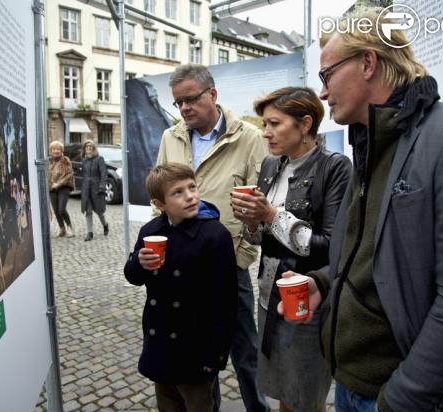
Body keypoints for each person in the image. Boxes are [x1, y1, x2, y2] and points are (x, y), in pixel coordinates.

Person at [277, 7, 443, 412]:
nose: (321, 92)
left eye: (326, 75)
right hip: (354, 386)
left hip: (408, 398)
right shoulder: (370, 141)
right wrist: (322, 283)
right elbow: (374, 258)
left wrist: (399, 401)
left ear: (368, 63)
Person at [230, 87, 351, 412]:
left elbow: (330, 246)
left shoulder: (334, 168)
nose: (265, 132)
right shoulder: (271, 165)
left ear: (305, 124)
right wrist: (251, 220)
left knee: (306, 395)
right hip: (270, 297)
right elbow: (259, 241)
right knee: (284, 389)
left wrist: (269, 214)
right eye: (264, 124)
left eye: (274, 123)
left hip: (307, 299)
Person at [157, 64, 270, 411]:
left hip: (228, 265)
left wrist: (242, 253)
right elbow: (159, 194)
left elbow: (262, 205)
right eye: (179, 102)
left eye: (191, 99)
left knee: (245, 351)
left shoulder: (249, 138)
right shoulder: (170, 137)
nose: (185, 108)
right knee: (199, 353)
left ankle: (257, 408)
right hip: (184, 265)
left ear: (213, 94)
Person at [124, 163, 237, 412]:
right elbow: (133, 277)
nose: (190, 196)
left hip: (195, 347)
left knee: (199, 405)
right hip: (161, 343)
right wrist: (139, 263)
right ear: (159, 203)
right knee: (168, 405)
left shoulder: (215, 235)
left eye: (192, 187)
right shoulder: (150, 231)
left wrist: (215, 356)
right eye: (178, 192)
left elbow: (225, 301)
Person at [80, 140, 109, 241]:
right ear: (84, 149)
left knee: (99, 211)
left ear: (94, 148)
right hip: (86, 189)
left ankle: (105, 225)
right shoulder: (84, 161)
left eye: (90, 146)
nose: (88, 148)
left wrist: (102, 186)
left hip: (96, 188)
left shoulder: (99, 159)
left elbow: (104, 174)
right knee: (88, 211)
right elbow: (83, 175)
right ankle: (90, 233)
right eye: (86, 147)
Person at [48, 140, 75, 237]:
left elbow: (69, 174)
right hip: (52, 189)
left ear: (61, 150)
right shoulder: (49, 161)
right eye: (54, 149)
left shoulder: (65, 160)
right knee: (56, 210)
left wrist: (58, 184)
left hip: (64, 188)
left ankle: (69, 227)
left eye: (58, 149)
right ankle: (62, 228)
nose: (56, 151)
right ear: (51, 150)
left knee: (61, 209)